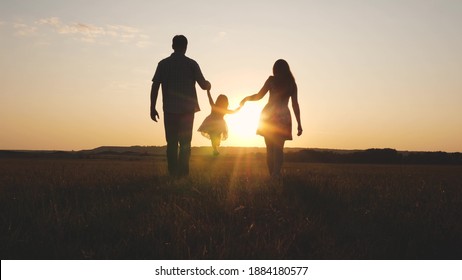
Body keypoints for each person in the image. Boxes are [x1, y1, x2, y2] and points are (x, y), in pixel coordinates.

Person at [150, 35, 211, 177]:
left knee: (171, 143)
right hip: (187, 110)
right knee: (185, 143)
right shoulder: (192, 64)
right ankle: (183, 174)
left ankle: (173, 173)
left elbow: (155, 86)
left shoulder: (163, 64)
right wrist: (209, 85)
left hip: (170, 109)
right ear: (186, 47)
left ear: (172, 46)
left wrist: (152, 107)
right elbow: (203, 85)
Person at [240, 59, 302, 177]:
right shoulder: (291, 83)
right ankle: (275, 174)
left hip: (268, 116)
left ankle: (273, 175)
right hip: (283, 117)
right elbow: (295, 105)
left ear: (275, 69)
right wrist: (299, 124)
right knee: (278, 148)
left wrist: (246, 99)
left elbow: (258, 96)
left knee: (270, 149)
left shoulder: (272, 80)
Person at [198, 90, 241, 156]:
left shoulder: (221, 109)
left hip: (217, 124)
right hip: (212, 124)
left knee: (216, 138)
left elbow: (233, 112)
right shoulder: (215, 106)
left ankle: (215, 147)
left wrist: (208, 91)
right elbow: (233, 111)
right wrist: (208, 91)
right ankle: (215, 150)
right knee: (213, 137)